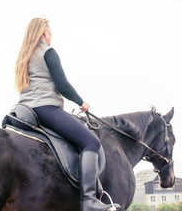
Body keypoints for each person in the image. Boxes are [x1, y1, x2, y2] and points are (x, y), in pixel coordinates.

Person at [15, 17, 120, 211]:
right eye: (50, 31)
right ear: (45, 33)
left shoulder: (25, 56)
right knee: (91, 142)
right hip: (46, 108)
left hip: (26, 110)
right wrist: (82, 102)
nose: (52, 35)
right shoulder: (48, 52)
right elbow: (63, 86)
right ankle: (88, 200)